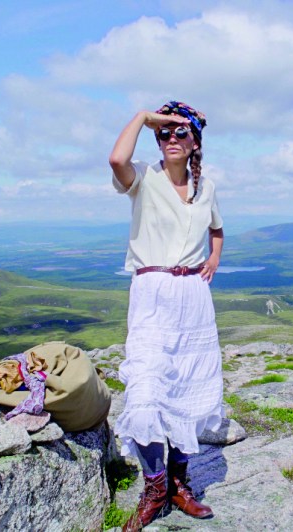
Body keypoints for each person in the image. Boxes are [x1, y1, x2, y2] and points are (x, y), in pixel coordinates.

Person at [109, 101, 225, 531]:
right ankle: (155, 487)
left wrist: (213, 258)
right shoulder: (143, 177)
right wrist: (144, 117)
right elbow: (116, 158)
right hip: (152, 291)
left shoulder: (205, 187)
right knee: (145, 390)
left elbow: (216, 227)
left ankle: (179, 484)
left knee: (188, 392)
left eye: (181, 132)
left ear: (196, 140)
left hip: (192, 295)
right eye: (165, 133)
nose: (171, 139)